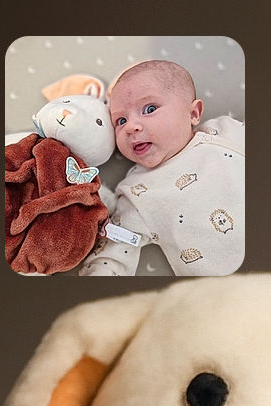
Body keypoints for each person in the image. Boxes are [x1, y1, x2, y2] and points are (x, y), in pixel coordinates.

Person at [79, 60, 243, 276]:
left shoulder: (225, 131)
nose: (131, 127)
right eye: (120, 120)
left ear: (193, 114)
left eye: (149, 109)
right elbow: (113, 251)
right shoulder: (136, 192)